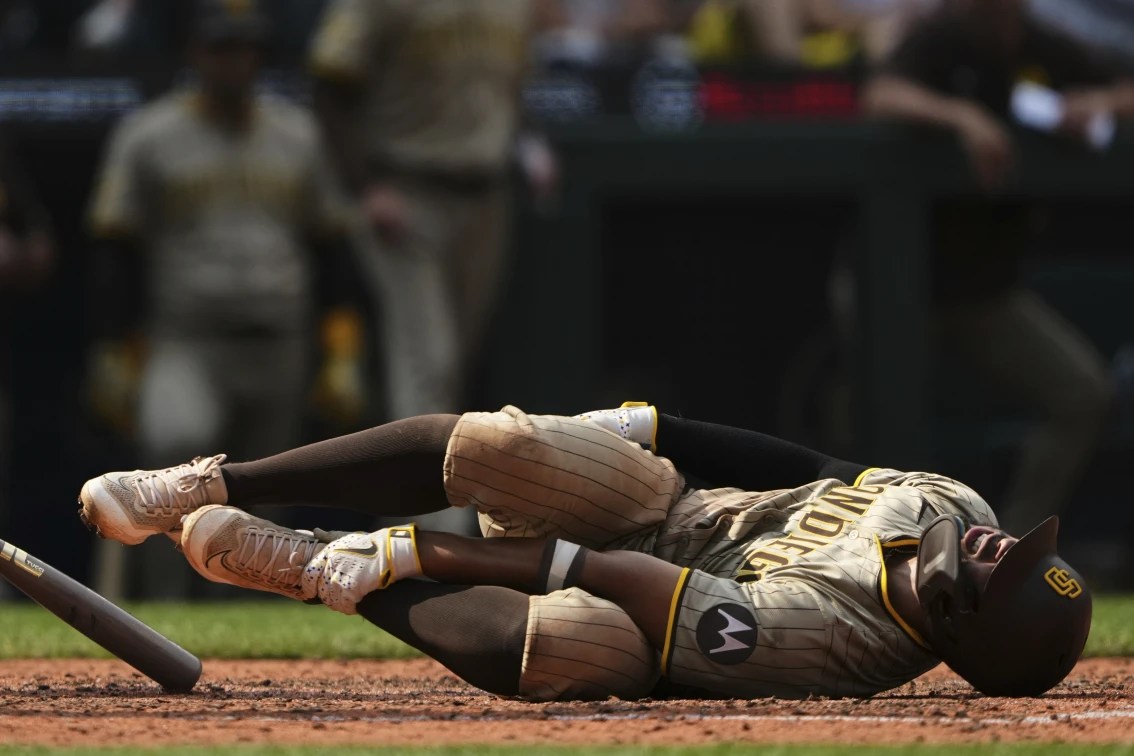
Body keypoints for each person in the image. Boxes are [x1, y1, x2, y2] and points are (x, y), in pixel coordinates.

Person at [78, 402, 1091, 699]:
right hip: (666, 502)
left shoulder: (830, 643)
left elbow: (613, 579)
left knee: (579, 648)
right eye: (1017, 545)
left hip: (640, 588)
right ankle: (208, 483)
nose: (1004, 542)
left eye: (1006, 567)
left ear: (965, 619)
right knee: (507, 443)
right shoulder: (952, 502)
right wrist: (640, 424)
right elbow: (807, 460)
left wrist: (412, 560)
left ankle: (308, 567)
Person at [84, 0, 356, 598]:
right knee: (173, 456)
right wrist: (114, 347)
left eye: (246, 49)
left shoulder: (297, 133)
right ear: (195, 53)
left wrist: (341, 347)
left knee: (267, 491)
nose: (235, 62)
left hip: (279, 342)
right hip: (188, 339)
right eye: (221, 49)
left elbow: (331, 244)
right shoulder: (151, 134)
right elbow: (115, 247)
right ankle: (163, 605)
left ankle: (253, 633)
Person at [853, 0, 1134, 534]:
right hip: (897, 280)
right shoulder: (937, 36)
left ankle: (1008, 550)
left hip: (983, 289)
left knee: (1083, 393)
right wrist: (962, 115)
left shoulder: (1040, 42)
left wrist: (1096, 102)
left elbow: (1125, 89)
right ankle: (868, 553)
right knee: (873, 416)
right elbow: (881, 95)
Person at [306, 0, 561, 536]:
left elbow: (509, 90)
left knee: (452, 368)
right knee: (428, 364)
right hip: (406, 187)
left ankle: (397, 515)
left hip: (485, 195)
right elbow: (329, 86)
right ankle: (435, 545)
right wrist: (364, 187)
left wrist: (531, 147)